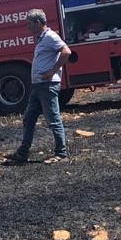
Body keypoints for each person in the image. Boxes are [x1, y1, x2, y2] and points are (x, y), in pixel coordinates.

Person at [4, 9, 71, 165]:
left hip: (47, 85)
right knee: (29, 118)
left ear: (38, 23)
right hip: (39, 86)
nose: (28, 27)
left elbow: (66, 52)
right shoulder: (41, 39)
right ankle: (23, 153)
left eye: (29, 23)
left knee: (53, 119)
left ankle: (62, 153)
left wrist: (53, 71)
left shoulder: (50, 36)